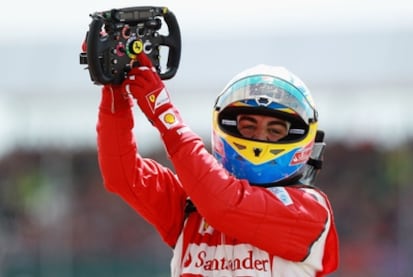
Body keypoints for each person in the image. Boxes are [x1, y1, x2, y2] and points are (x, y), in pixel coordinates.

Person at [95, 52, 339, 276]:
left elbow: (224, 205)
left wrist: (164, 113)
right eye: (248, 126)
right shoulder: (194, 202)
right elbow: (122, 175)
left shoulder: (310, 210)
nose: (259, 138)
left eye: (274, 130)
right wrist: (115, 92)